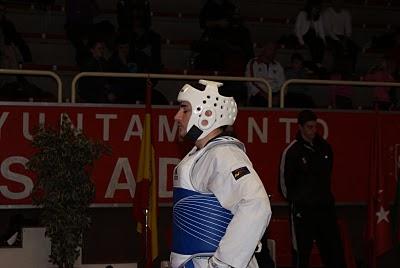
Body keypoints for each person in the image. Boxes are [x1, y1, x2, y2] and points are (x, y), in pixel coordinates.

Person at [170, 80, 272, 268]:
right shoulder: (202, 155)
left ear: (207, 114)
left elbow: (256, 204)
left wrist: (224, 263)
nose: (177, 116)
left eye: (184, 109)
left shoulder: (224, 154)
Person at [279, 110, 346, 268]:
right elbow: (283, 182)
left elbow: (327, 175)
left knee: (333, 251)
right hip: (303, 211)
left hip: (325, 208)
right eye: (309, 127)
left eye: (315, 127)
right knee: (301, 252)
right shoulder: (292, 152)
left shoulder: (325, 148)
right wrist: (297, 200)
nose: (313, 131)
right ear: (301, 127)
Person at [245, 42, 285, 107]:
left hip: (275, 94)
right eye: (270, 49)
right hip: (259, 95)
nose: (273, 52)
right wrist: (267, 96)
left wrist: (279, 96)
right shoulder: (253, 63)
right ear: (264, 50)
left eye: (274, 50)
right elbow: (251, 82)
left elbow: (282, 84)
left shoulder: (277, 65)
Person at [294, 0, 325, 69]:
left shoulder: (319, 16)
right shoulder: (302, 14)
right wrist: (301, 42)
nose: (316, 10)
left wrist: (324, 41)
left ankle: (318, 62)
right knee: (314, 41)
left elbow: (321, 30)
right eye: (315, 8)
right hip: (304, 35)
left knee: (320, 42)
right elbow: (297, 29)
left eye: (317, 8)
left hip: (314, 36)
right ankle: (315, 63)